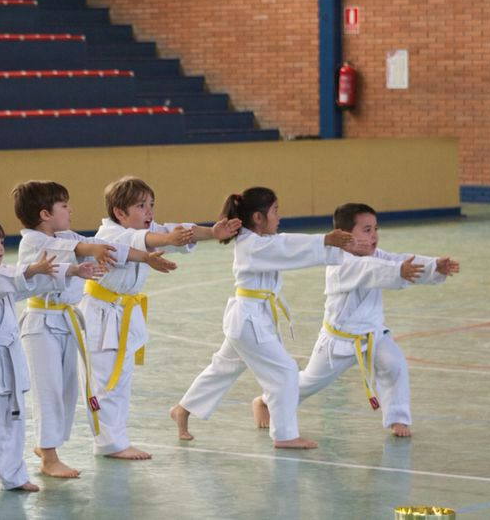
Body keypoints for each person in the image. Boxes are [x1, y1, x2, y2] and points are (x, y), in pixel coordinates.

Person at [169, 186, 358, 449]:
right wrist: (323, 240)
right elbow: (286, 246)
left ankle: (183, 409)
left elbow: (284, 245)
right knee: (285, 371)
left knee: (222, 369)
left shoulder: (258, 242)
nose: (279, 217)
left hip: (252, 318)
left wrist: (326, 244)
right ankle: (285, 435)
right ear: (258, 217)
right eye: (275, 211)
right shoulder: (253, 245)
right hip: (248, 321)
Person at [12, 180, 176, 478]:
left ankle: (45, 445)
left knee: (67, 389)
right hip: (41, 323)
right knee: (48, 389)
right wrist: (128, 253)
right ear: (45, 213)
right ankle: (49, 457)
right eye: (64, 205)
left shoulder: (65, 235)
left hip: (66, 321)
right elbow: (86, 248)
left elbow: (108, 249)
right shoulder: (34, 241)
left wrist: (146, 257)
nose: (70, 209)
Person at [251, 203, 458, 437]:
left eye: (375, 229)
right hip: (338, 341)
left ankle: (398, 418)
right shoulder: (341, 263)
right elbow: (373, 270)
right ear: (346, 236)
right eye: (367, 230)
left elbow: (395, 259)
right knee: (308, 383)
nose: (374, 236)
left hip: (373, 335)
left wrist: (433, 266)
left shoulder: (374, 255)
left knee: (394, 365)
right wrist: (398, 271)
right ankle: (267, 400)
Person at [79, 176, 241, 460]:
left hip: (120, 313)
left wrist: (212, 232)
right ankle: (108, 443)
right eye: (141, 206)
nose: (150, 212)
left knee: (120, 380)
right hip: (99, 315)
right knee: (105, 381)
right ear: (119, 212)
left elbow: (173, 231)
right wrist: (167, 240)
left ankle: (115, 440)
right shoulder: (110, 235)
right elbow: (153, 239)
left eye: (151, 205)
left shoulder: (143, 229)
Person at [0, 215, 104, 496]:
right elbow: (13, 279)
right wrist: (33, 268)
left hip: (10, 355)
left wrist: (71, 272)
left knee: (15, 417)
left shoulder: (2, 276)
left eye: (0, 241)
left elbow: (28, 284)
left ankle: (13, 475)